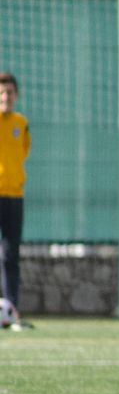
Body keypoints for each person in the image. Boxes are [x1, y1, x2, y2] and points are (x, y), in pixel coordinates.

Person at [0, 72, 31, 331]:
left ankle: (12, 312)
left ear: (16, 95)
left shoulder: (21, 123)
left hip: (14, 196)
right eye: (1, 93)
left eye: (9, 92)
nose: (5, 97)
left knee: (11, 255)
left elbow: (23, 152)